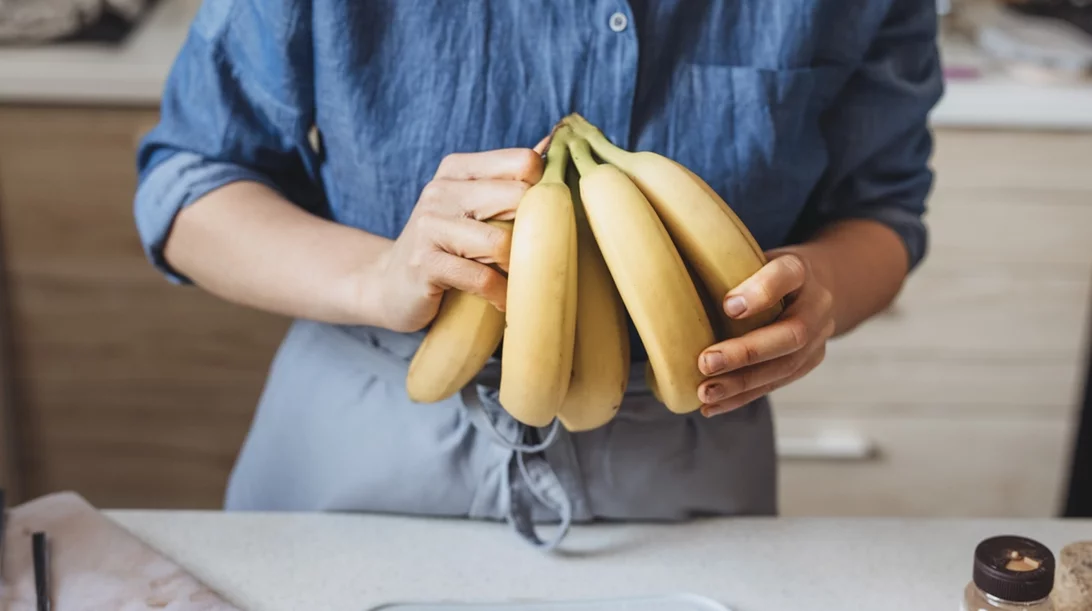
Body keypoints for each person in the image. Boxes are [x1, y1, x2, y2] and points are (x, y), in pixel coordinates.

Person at [133, 0, 943, 549]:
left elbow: (884, 210)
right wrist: (375, 277)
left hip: (686, 438)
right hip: (362, 428)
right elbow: (192, 181)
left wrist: (820, 291)